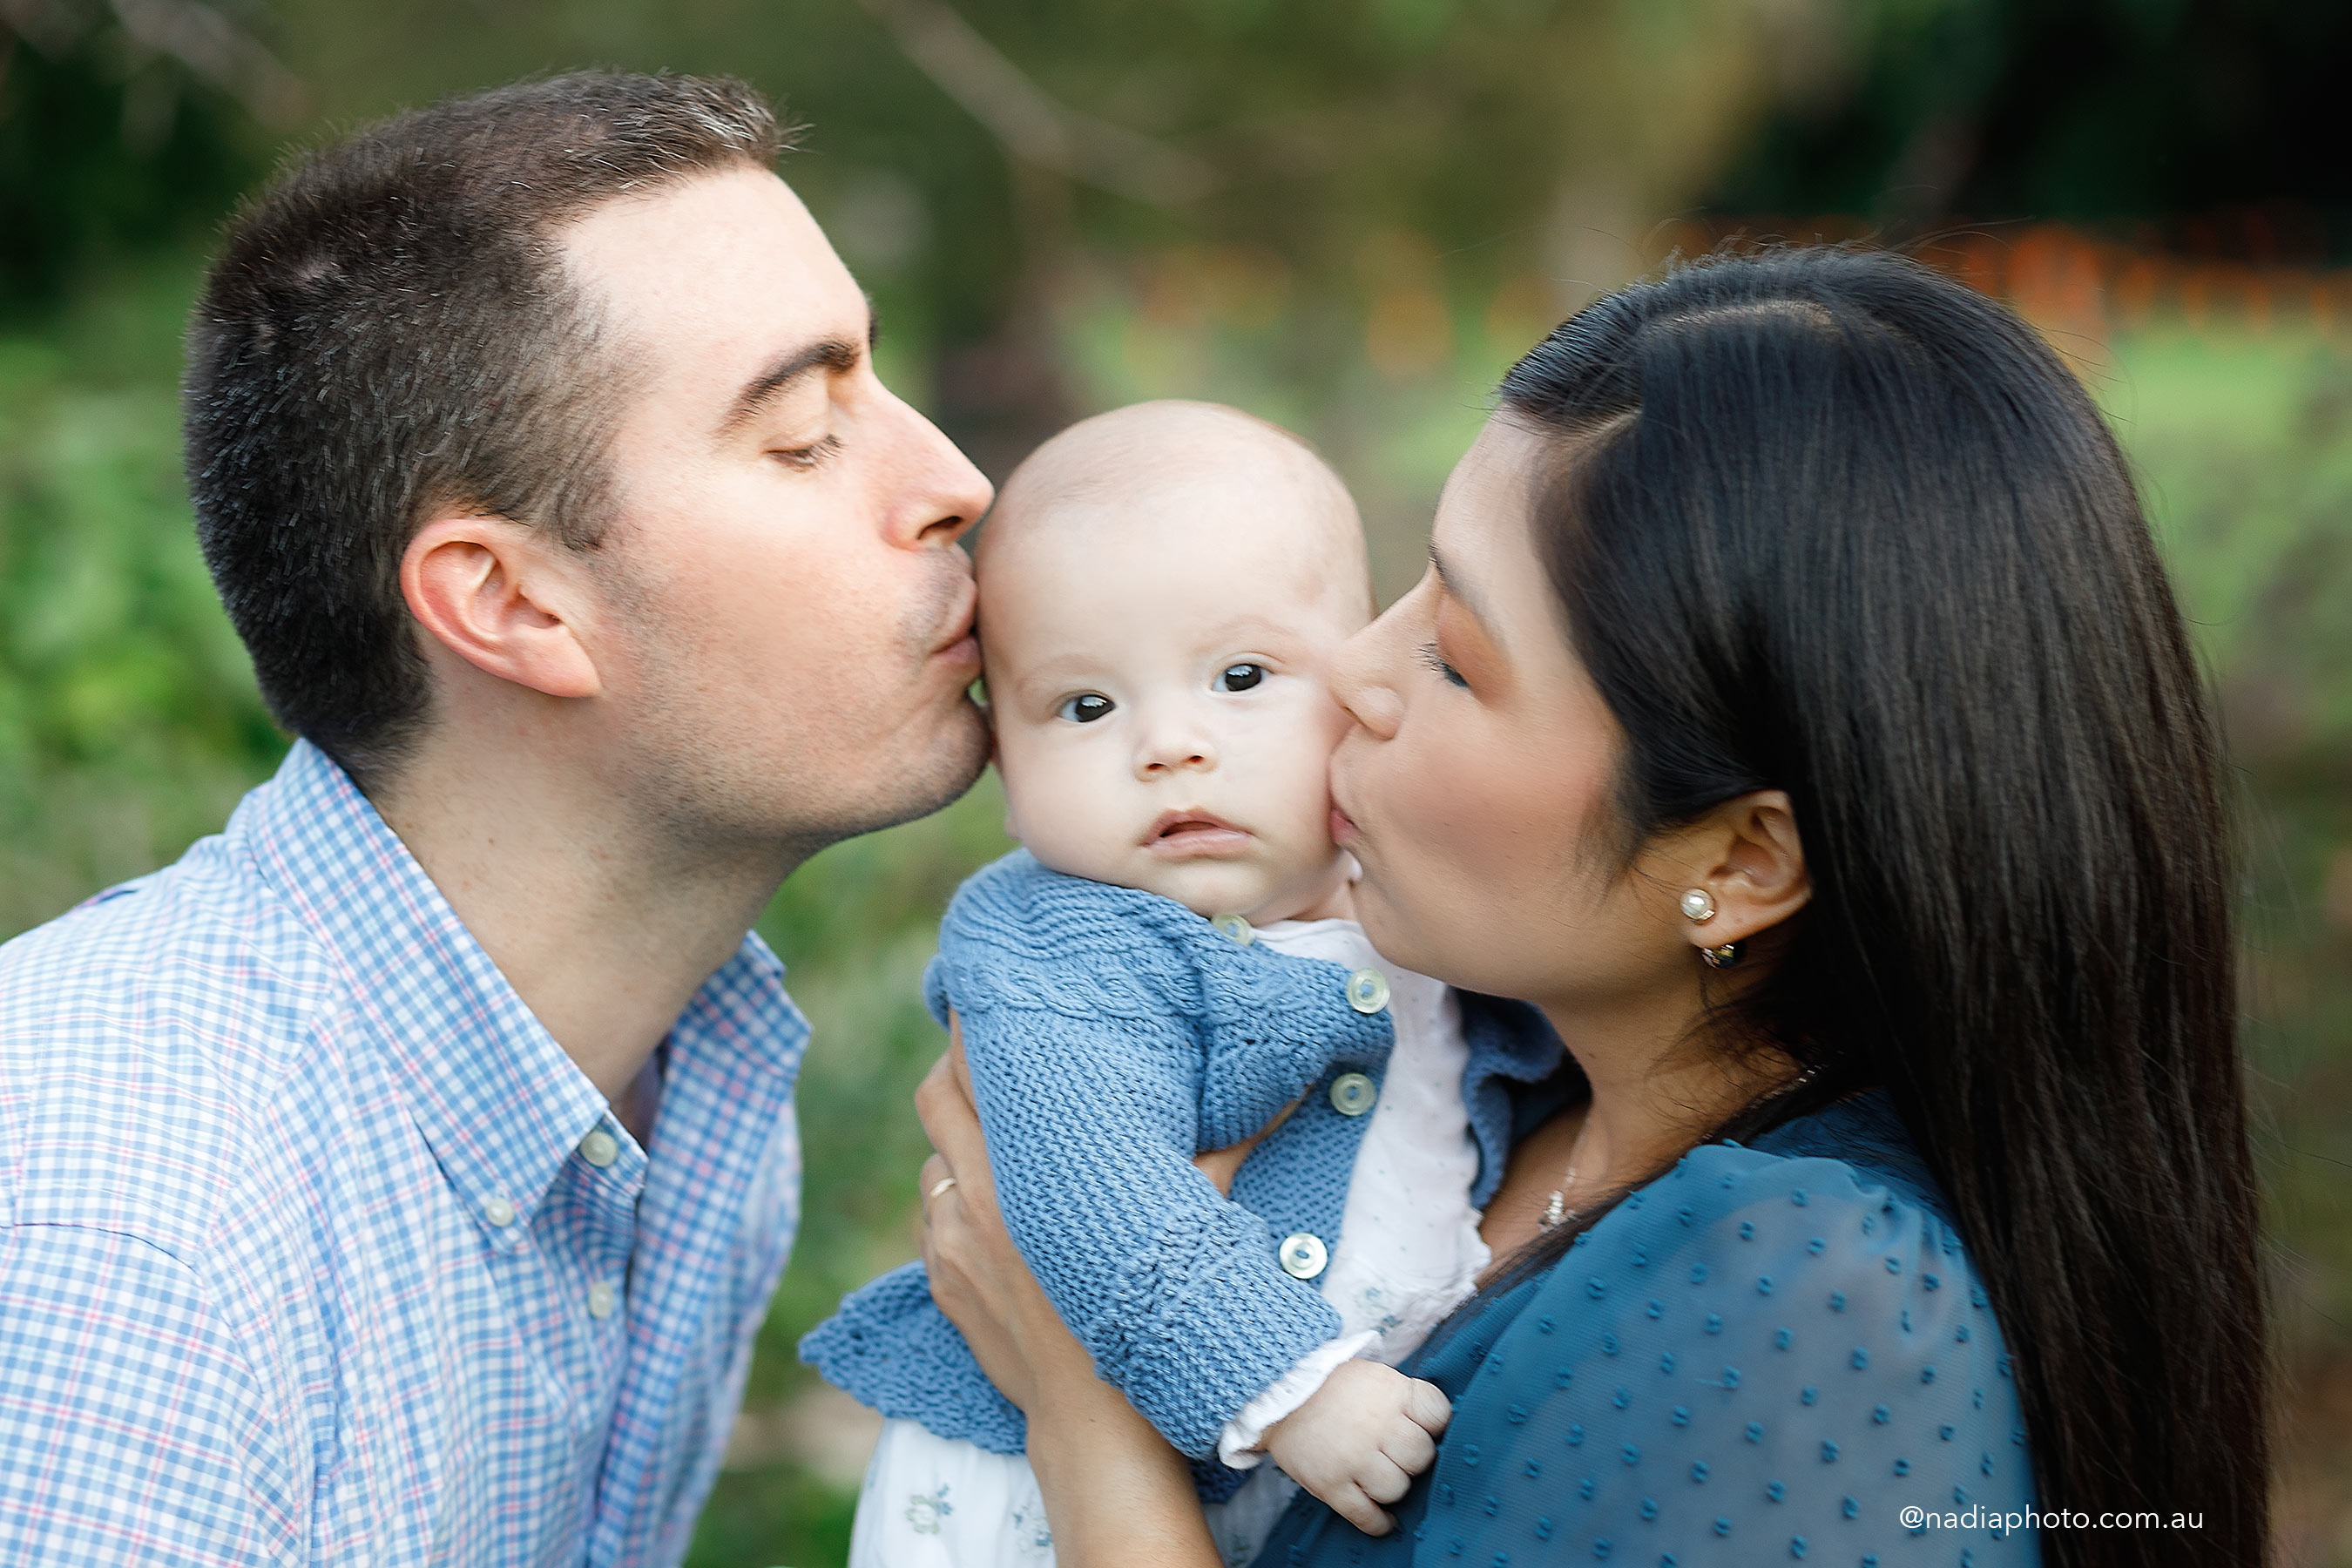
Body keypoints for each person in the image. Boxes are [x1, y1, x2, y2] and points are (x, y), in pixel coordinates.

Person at [907, 248, 2269, 1568]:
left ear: (1737, 866)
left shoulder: (1808, 1294)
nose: (1354, 676)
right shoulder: (1494, 1069)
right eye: (1408, 592)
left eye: (1452, 658)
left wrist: (1084, 1415)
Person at [0, 73, 993, 1565]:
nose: (957, 484)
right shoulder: (130, 1240)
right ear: (513, 603)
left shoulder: (684, 1082)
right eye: (802, 436)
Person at [802, 402, 1555, 1568]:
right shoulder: (1059, 945)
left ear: (1357, 681)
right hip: (1028, 1503)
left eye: (1242, 676)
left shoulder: (1416, 904)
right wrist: (1290, 1392)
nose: (1170, 744)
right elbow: (1090, 1188)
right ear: (1003, 760)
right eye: (1086, 706)